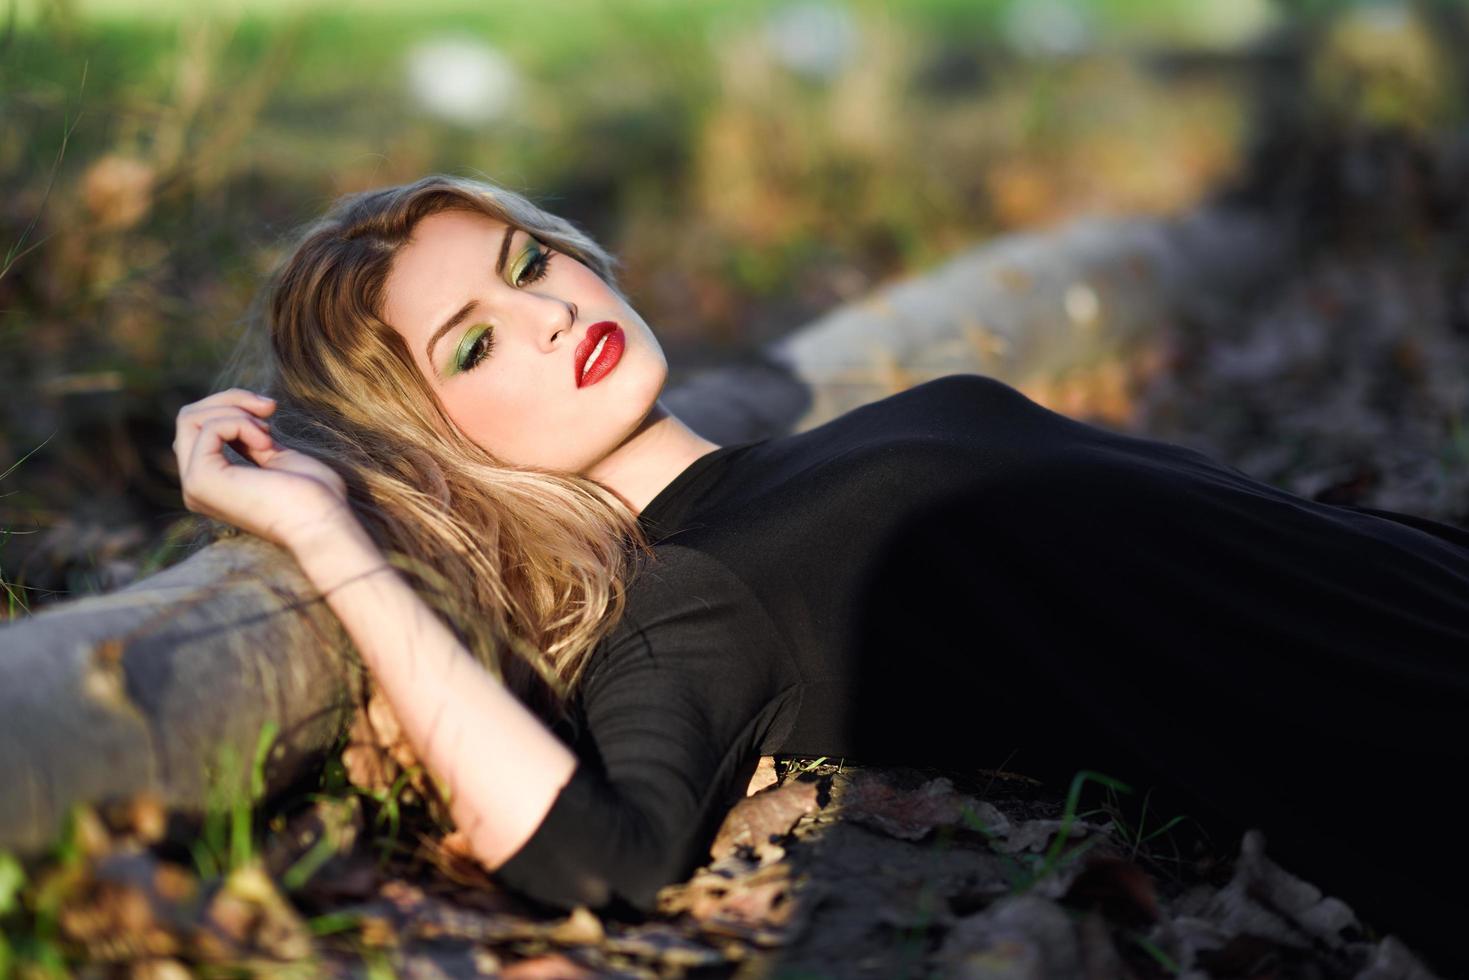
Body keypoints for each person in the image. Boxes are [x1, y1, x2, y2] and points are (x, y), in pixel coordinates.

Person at [174, 175, 1469, 971]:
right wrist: (331, 540)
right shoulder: (690, 591)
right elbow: (593, 855)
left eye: (528, 265)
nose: (550, 313)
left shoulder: (780, 474)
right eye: (473, 347)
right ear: (430, 445)